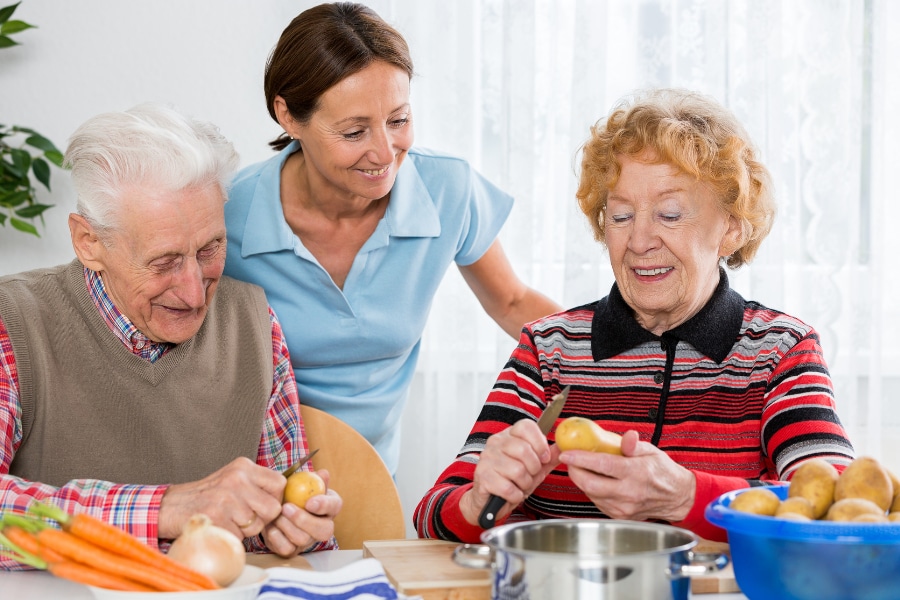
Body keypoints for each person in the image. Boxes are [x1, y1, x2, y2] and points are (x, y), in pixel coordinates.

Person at [413, 88, 855, 543]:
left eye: (669, 213)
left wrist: (686, 496)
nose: (640, 241)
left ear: (731, 228)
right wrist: (478, 499)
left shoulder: (780, 349)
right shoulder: (549, 348)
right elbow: (431, 514)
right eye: (621, 216)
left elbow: (840, 508)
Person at [222, 2, 561, 476]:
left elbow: (512, 301)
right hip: (251, 475)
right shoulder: (226, 213)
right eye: (355, 130)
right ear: (289, 116)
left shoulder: (447, 190)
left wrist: (618, 362)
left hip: (374, 477)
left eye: (398, 120)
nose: (384, 152)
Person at [0, 103, 341, 569]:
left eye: (210, 249)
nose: (194, 291)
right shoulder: (13, 322)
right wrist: (166, 510)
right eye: (163, 262)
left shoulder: (254, 322)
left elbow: (283, 526)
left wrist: (290, 529)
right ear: (89, 243)